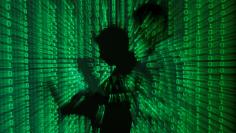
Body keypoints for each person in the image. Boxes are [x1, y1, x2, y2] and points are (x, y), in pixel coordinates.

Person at [48, 2, 168, 133]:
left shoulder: (151, 64)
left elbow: (107, 96)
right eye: (135, 29)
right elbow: (105, 92)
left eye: (139, 28)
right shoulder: (131, 65)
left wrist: (90, 81)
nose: (135, 33)